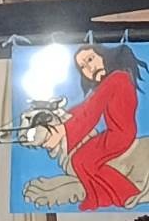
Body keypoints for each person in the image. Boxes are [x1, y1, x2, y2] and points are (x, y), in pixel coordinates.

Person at [45, 44, 148, 210]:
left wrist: (64, 130)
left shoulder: (117, 78)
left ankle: (127, 193)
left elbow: (91, 111)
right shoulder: (109, 81)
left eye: (90, 59)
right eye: (82, 66)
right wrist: (66, 118)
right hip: (113, 132)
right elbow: (86, 106)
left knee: (82, 160)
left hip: (121, 134)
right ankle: (99, 198)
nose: (88, 67)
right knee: (80, 161)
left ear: (103, 56)